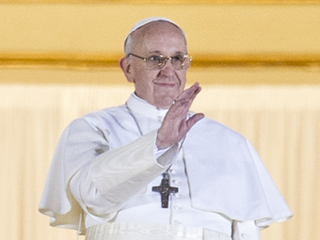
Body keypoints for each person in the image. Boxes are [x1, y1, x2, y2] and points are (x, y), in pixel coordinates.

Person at [39, 17, 292, 240]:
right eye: (155, 59)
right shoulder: (91, 129)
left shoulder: (229, 142)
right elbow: (91, 196)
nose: (168, 70)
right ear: (128, 68)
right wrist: (157, 144)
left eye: (178, 59)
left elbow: (246, 229)